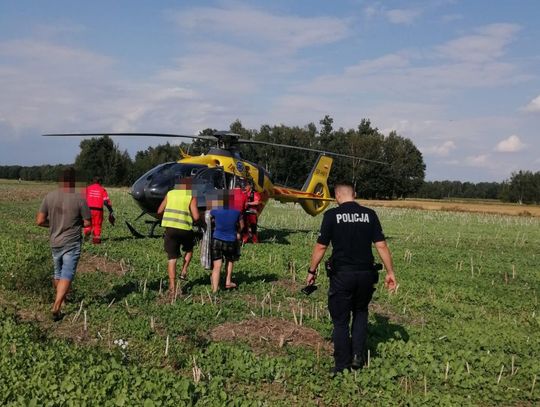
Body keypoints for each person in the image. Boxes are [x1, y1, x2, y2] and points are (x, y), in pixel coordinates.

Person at [305, 181, 397, 374]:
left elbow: (321, 247)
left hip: (342, 275)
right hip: (366, 274)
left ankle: (342, 363)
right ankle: (357, 356)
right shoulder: (370, 215)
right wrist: (390, 272)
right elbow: (381, 246)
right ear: (354, 194)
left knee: (340, 320)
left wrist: (312, 271)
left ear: (337, 196)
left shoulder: (331, 216)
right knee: (361, 312)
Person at [36, 168, 91, 321]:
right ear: (73, 181)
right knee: (67, 273)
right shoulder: (80, 199)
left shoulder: (49, 197)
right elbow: (87, 223)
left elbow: (40, 221)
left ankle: (63, 300)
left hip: (55, 241)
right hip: (72, 242)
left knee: (58, 272)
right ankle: (56, 306)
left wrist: (52, 224)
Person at [157, 178, 200, 297]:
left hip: (170, 230)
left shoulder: (170, 193)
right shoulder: (191, 195)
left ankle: (172, 286)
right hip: (185, 229)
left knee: (172, 258)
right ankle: (184, 270)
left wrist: (164, 219)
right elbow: (196, 217)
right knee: (189, 249)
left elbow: (159, 210)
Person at [210, 191, 244, 292]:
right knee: (230, 261)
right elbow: (242, 226)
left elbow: (210, 218)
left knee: (217, 266)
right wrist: (238, 232)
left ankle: (215, 290)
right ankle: (228, 281)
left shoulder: (216, 210)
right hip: (230, 240)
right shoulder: (237, 211)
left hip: (217, 239)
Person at [84, 176, 114, 244]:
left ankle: (87, 231)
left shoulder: (88, 188)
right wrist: (111, 210)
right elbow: (106, 202)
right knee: (97, 225)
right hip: (98, 210)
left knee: (88, 223)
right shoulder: (102, 189)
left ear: (93, 181)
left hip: (88, 209)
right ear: (100, 182)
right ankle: (96, 239)